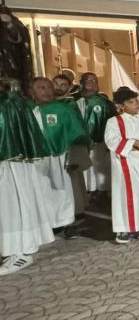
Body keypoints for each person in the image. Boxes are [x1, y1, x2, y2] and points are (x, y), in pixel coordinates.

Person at [0, 84, 54, 275]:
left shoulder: (9, 102)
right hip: (8, 163)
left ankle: (19, 252)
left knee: (12, 207)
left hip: (11, 164)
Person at [29, 77, 90, 239]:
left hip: (58, 157)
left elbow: (76, 134)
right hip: (34, 160)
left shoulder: (63, 110)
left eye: (49, 87)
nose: (47, 91)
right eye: (41, 88)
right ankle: (44, 223)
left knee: (61, 190)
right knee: (39, 191)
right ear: (31, 92)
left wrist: (76, 159)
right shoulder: (26, 111)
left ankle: (65, 222)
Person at [104, 87, 139, 244]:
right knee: (126, 194)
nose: (136, 103)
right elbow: (111, 140)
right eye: (130, 102)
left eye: (136, 100)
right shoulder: (114, 122)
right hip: (125, 163)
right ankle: (123, 228)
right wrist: (134, 143)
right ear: (121, 106)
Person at [75, 72, 116, 200]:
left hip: (99, 143)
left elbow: (112, 122)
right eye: (87, 80)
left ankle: (101, 192)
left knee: (99, 166)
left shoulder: (105, 103)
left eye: (93, 81)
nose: (90, 83)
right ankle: (87, 191)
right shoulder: (75, 102)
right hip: (80, 142)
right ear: (81, 83)